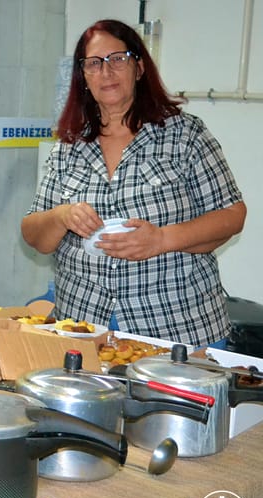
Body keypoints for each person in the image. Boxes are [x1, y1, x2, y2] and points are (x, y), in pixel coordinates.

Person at [21, 19, 246, 348]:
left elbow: (231, 214)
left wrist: (161, 239)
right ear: (83, 77)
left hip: (177, 329)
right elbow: (34, 234)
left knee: (170, 403)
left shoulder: (184, 134)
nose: (106, 72)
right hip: (85, 330)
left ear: (139, 67)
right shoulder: (69, 146)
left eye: (118, 59)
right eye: (94, 64)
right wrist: (61, 216)